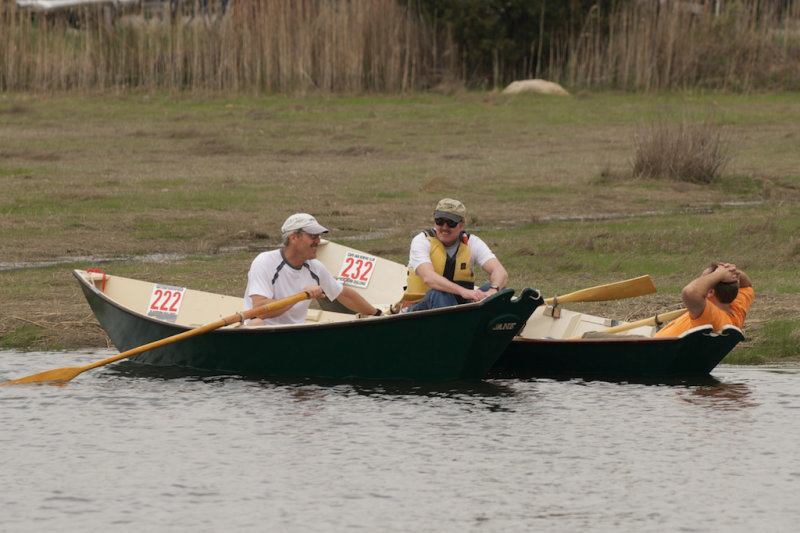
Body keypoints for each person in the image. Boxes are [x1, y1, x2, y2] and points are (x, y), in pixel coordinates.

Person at [244, 213, 382, 325]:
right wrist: (299, 296)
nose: (318, 241)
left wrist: (377, 314)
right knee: (256, 323)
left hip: (295, 332)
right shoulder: (264, 262)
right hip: (262, 331)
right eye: (312, 236)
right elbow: (259, 310)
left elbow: (344, 295)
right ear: (293, 238)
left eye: (318, 236)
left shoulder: (315, 267)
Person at [406, 198, 509, 311]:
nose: (444, 227)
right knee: (440, 293)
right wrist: (464, 292)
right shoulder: (422, 241)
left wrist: (493, 291)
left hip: (460, 307)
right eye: (439, 221)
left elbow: (500, 271)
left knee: (501, 291)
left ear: (461, 225)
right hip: (419, 308)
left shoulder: (472, 243)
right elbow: (428, 278)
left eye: (451, 223)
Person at [655, 261, 754, 338]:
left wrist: (719, 274)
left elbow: (689, 292)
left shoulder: (709, 315)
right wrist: (733, 271)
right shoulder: (737, 309)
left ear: (710, 292)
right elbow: (747, 285)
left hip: (653, 351)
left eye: (703, 279)